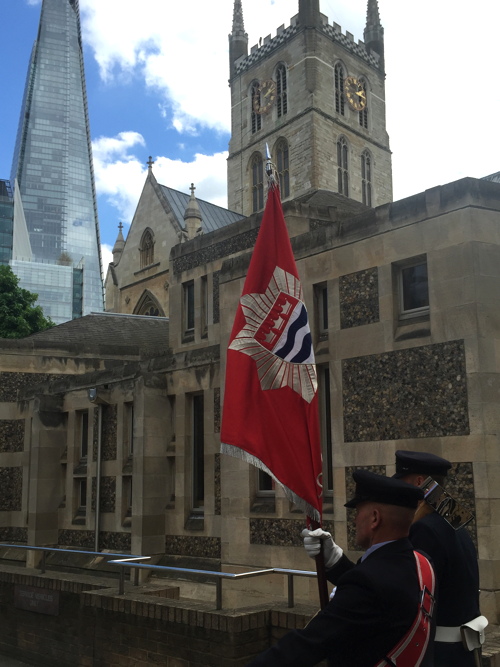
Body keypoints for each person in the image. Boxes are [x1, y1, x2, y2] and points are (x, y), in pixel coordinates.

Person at [304, 451, 483, 667]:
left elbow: (389, 591)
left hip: (437, 654)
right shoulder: (453, 520)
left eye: (403, 484)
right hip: (461, 653)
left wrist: (337, 570)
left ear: (419, 483)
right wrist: (334, 560)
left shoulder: (424, 530)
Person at [247, 470, 435, 667]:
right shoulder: (423, 564)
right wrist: (336, 562)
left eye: (358, 511)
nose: (354, 520)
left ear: (374, 518)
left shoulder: (367, 583)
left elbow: (306, 645)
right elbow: (379, 598)